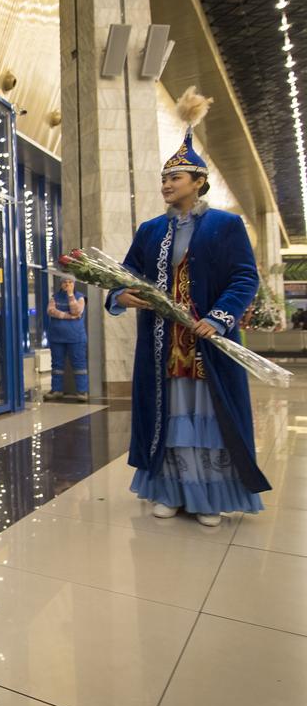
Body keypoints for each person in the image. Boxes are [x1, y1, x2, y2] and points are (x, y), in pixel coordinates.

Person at [107, 88, 271, 526]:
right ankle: (170, 490)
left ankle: (209, 497)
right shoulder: (149, 230)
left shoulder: (226, 225)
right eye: (164, 178)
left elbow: (244, 277)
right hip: (162, 345)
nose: (166, 184)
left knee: (208, 415)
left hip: (207, 343)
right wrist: (119, 296)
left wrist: (218, 318)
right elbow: (125, 275)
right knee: (169, 414)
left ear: (199, 181)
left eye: (175, 177)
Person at [45, 275, 89, 402]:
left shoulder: (80, 297)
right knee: (57, 365)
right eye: (65, 282)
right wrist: (68, 316)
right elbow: (51, 311)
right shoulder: (54, 297)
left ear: (74, 284)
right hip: (56, 337)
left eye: (70, 282)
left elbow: (76, 311)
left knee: (79, 364)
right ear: (61, 284)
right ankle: (56, 390)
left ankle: (82, 391)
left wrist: (70, 295)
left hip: (76, 337)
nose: (67, 284)